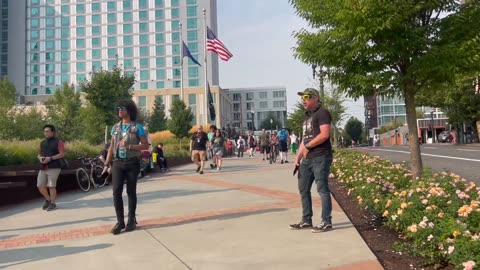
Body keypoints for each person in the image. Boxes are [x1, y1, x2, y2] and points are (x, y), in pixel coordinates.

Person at [102, 100, 149, 235]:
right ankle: (120, 221)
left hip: (132, 162)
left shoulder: (137, 127)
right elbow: (111, 147)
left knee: (130, 192)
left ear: (129, 110)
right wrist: (106, 163)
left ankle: (131, 220)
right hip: (117, 163)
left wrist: (130, 146)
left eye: (122, 108)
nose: (119, 111)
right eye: (118, 109)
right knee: (116, 191)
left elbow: (145, 146)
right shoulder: (115, 127)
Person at [290, 88, 334, 233]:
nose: (304, 100)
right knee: (303, 188)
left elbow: (325, 135)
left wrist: (308, 146)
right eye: (302, 97)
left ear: (316, 98)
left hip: (321, 156)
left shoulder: (323, 113)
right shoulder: (307, 117)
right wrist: (298, 158)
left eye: (307, 97)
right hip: (307, 159)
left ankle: (326, 222)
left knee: (322, 189)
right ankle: (306, 220)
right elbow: (305, 139)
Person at [37, 124, 65, 211]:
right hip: (43, 167)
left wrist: (51, 158)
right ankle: (48, 200)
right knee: (40, 185)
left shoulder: (59, 142)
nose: (46, 133)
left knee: (51, 186)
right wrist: (40, 158)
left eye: (47, 131)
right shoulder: (42, 143)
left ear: (53, 132)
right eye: (44, 131)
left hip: (54, 167)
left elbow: (62, 154)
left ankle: (53, 203)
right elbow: (39, 154)